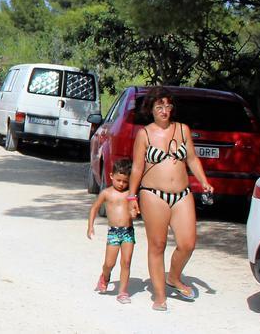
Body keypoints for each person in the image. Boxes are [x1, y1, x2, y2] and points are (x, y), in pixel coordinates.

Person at [128, 87, 214, 311]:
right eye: (159, 107)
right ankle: (159, 295)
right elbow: (137, 168)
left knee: (187, 244)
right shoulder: (144, 134)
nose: (164, 111)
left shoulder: (183, 130)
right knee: (158, 245)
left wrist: (203, 181)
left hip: (182, 194)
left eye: (167, 106)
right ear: (151, 110)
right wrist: (131, 196)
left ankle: (173, 277)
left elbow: (193, 159)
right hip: (152, 194)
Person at [87, 159, 136, 304]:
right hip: (113, 232)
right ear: (111, 176)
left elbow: (135, 210)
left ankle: (122, 292)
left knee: (126, 262)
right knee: (109, 263)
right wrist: (90, 226)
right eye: (119, 180)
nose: (121, 184)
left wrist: (134, 214)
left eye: (125, 181)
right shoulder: (106, 193)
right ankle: (105, 276)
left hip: (128, 232)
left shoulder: (130, 194)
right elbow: (95, 208)